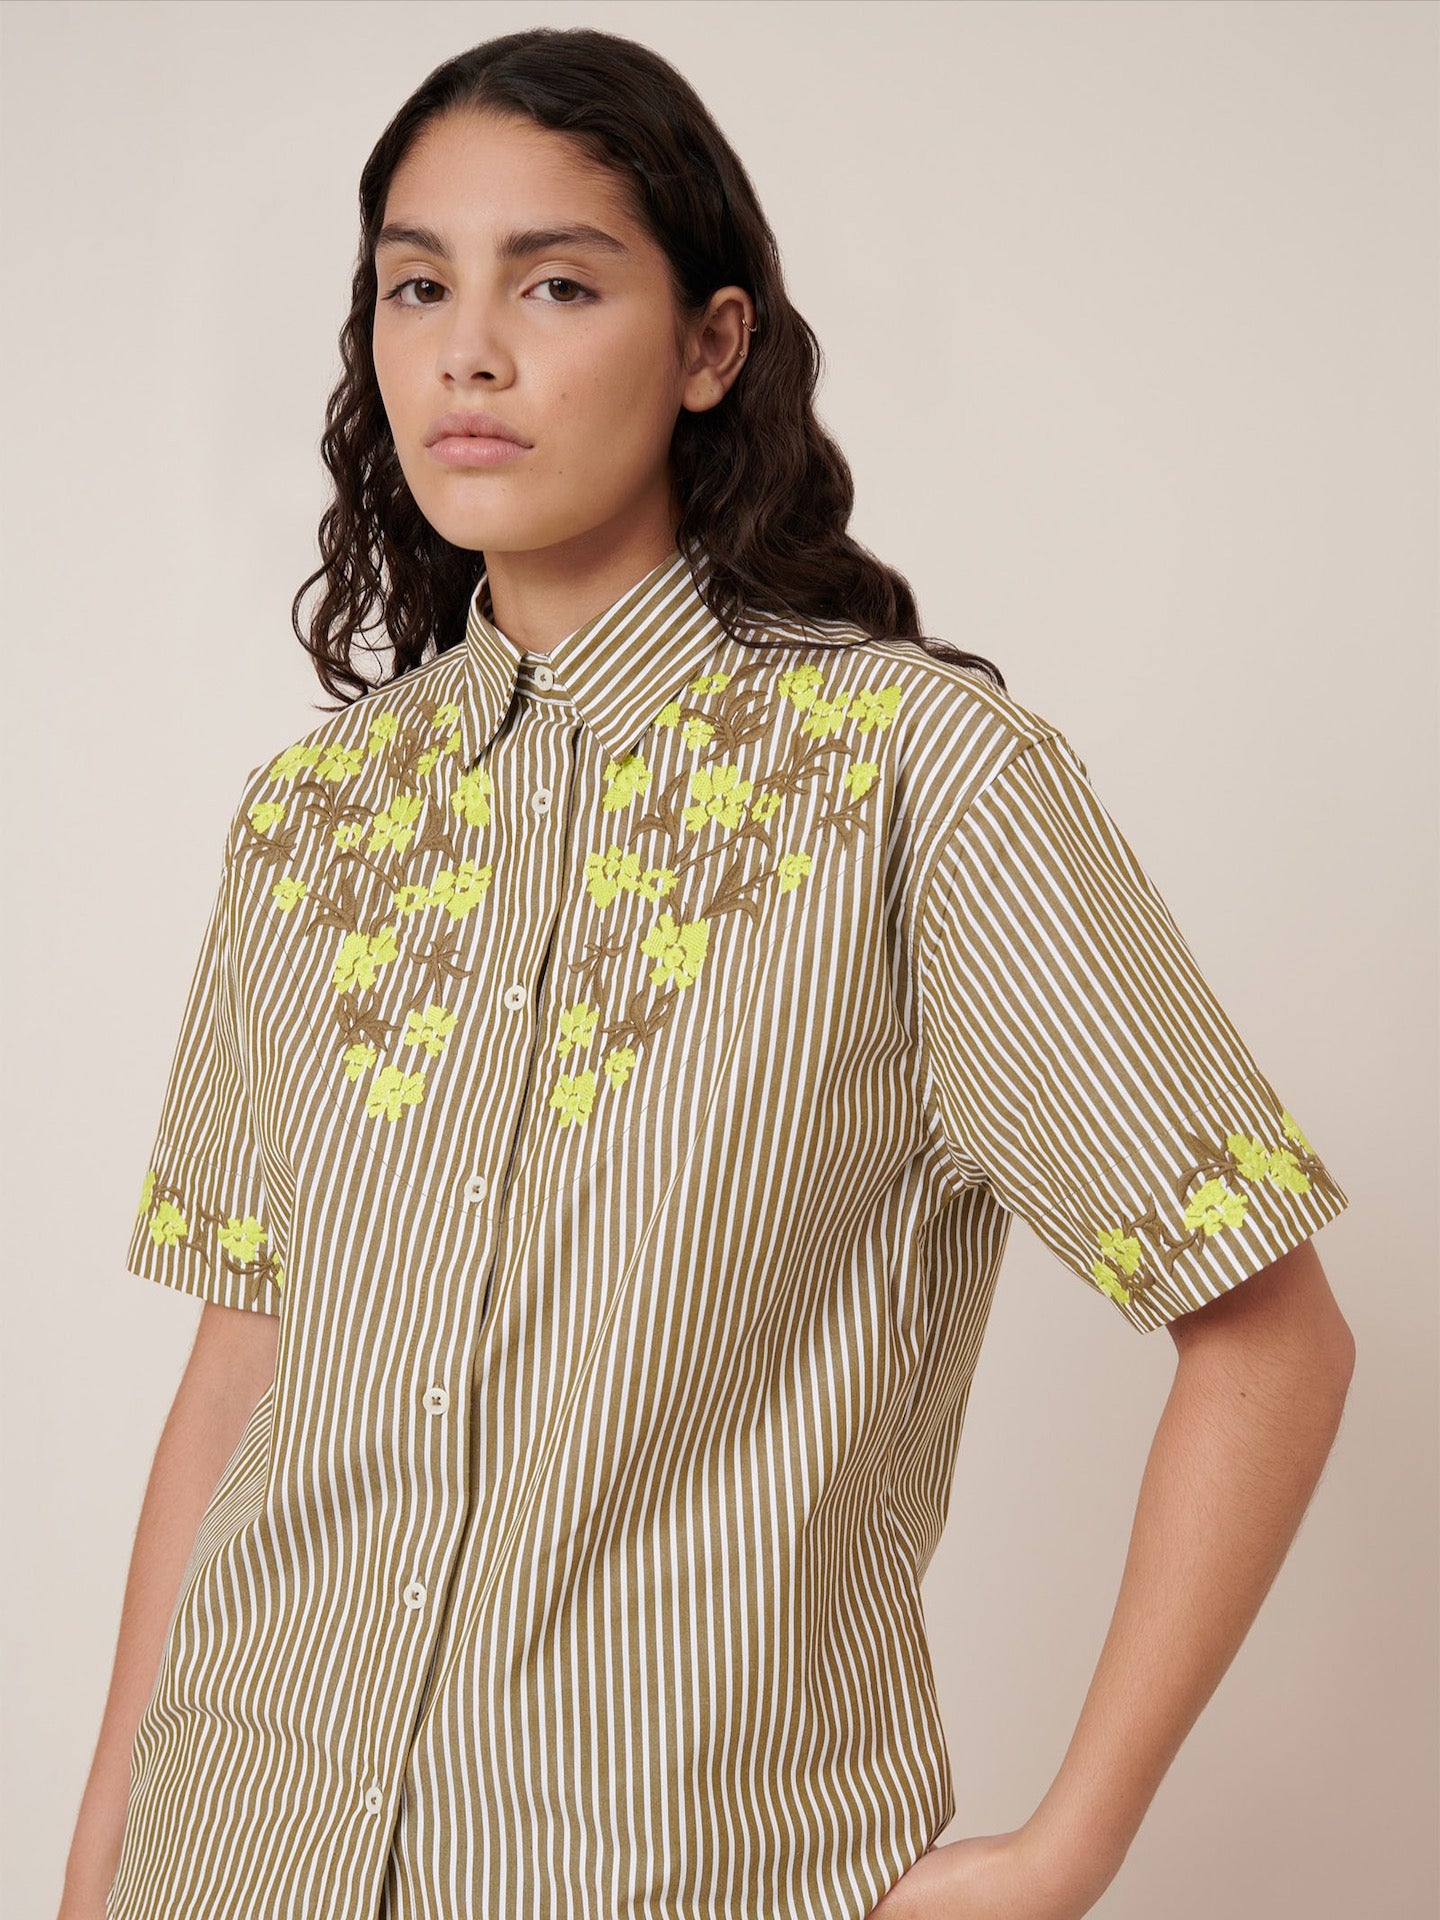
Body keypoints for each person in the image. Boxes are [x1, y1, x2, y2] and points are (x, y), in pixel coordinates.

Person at [60, 25, 1355, 1920]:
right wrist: (100, 1861)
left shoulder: (918, 780)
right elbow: (243, 1369)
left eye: (557, 282)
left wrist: (1064, 1854)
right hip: (235, 1863)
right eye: (415, 286)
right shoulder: (318, 817)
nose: (468, 350)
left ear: (710, 346)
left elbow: (1269, 1333)